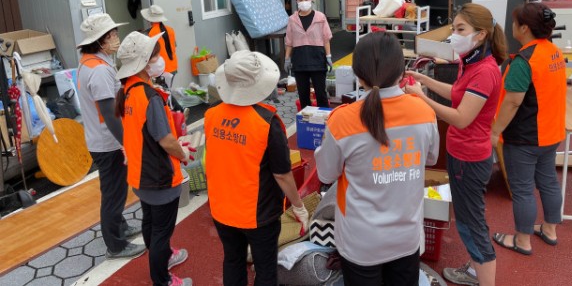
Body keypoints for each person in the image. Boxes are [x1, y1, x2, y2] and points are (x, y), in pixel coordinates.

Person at [315, 32, 440, 286]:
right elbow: (431, 158)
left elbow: (326, 175)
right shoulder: (424, 112)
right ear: (401, 72)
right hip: (406, 236)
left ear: (357, 74)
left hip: (360, 241)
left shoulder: (342, 119)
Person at [405, 3, 508, 286]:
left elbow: (462, 118)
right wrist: (423, 80)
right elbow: (457, 93)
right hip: (461, 153)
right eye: (454, 28)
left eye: (460, 29)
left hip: (469, 158)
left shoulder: (485, 71)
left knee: (471, 224)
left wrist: (421, 98)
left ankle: (483, 277)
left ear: (480, 34)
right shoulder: (470, 61)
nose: (454, 35)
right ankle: (476, 269)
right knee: (469, 219)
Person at [204, 50, 309, 286]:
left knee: (233, 260)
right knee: (265, 269)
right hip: (258, 214)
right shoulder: (267, 122)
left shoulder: (212, 115)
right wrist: (299, 207)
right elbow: (282, 174)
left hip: (222, 207)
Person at [116, 31, 193, 286]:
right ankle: (163, 279)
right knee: (162, 231)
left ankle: (161, 259)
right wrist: (182, 155)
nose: (160, 59)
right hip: (159, 176)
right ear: (144, 63)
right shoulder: (149, 97)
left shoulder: (128, 91)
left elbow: (145, 134)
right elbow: (165, 140)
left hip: (140, 173)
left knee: (150, 222)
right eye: (156, 55)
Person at [490, 3, 566, 255]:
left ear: (523, 28)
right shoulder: (554, 52)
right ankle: (550, 229)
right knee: (548, 182)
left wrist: (494, 131)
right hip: (551, 132)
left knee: (522, 189)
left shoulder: (524, 61)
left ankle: (522, 240)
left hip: (525, 138)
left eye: (515, 22)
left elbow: (512, 101)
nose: (512, 26)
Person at [77, 13, 145, 260]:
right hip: (107, 142)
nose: (117, 38)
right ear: (101, 40)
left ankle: (121, 227)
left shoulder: (88, 61)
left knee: (115, 190)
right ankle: (115, 245)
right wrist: (127, 143)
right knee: (113, 194)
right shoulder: (99, 71)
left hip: (99, 139)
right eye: (113, 34)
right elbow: (109, 113)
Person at [284, 0, 333, 109]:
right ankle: (307, 122)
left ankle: (325, 120)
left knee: (321, 94)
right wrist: (287, 59)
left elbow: (326, 38)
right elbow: (289, 41)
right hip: (300, 61)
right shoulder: (292, 20)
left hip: (317, 58)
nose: (303, 2)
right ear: (296, 1)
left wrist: (328, 56)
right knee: (303, 95)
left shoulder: (320, 17)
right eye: (301, 0)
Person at [141, 5, 178, 76]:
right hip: (173, 66)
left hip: (159, 69)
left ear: (148, 19)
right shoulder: (170, 30)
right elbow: (174, 47)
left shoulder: (149, 33)